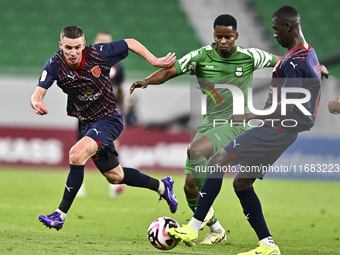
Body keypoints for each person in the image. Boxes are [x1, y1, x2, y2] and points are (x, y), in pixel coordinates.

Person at [167, 6, 323, 255]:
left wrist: (251, 114)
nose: (273, 35)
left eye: (275, 29)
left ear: (287, 27)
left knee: (217, 161)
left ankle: (194, 227)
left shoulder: (295, 62)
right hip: (285, 131)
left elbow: (287, 105)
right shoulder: (307, 54)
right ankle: (268, 245)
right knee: (241, 183)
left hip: (276, 128)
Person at [130, 14, 281, 244]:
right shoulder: (200, 56)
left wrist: (313, 66)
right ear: (214, 36)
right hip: (210, 123)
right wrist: (147, 80)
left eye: (228, 37)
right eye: (219, 37)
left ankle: (196, 220)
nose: (223, 41)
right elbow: (170, 71)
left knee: (195, 151)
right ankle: (217, 230)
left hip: (236, 124)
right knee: (190, 187)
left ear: (236, 36)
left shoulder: (250, 56)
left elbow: (282, 61)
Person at [31, 25, 178, 231]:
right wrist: (36, 102)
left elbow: (130, 42)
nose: (73, 53)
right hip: (87, 123)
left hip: (109, 119)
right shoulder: (54, 64)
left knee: (76, 154)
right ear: (60, 45)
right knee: (114, 176)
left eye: (76, 47)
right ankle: (163, 187)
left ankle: (59, 214)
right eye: (68, 48)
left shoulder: (98, 54)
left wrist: (154, 60)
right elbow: (38, 92)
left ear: (83, 44)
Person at [76, 30, 127, 198]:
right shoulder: (86, 59)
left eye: (107, 42)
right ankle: (78, 184)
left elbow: (119, 89)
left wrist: (122, 110)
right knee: (80, 147)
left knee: (113, 142)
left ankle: (115, 184)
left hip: (109, 110)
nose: (104, 44)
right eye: (101, 41)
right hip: (88, 111)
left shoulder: (118, 65)